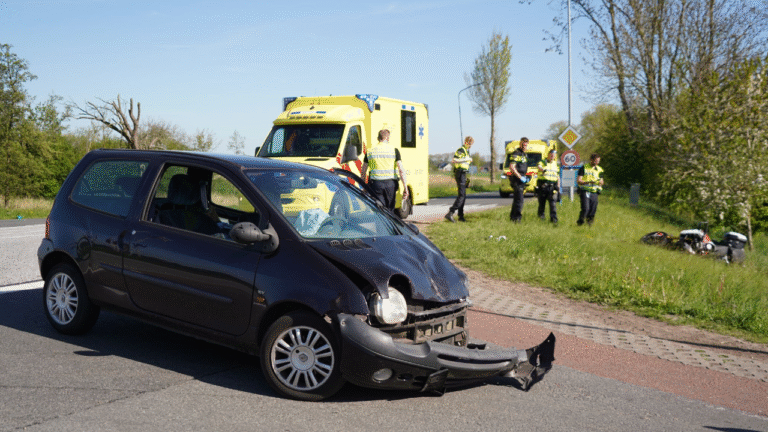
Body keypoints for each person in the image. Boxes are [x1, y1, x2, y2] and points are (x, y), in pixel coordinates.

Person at [362, 129, 408, 212]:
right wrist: (405, 187)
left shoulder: (369, 151)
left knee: (379, 210)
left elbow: (363, 171)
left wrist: (364, 186)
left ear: (378, 138)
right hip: (390, 185)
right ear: (388, 138)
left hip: (376, 185)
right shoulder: (394, 150)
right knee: (390, 210)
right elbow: (401, 170)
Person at [445, 136, 474, 222]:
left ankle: (461, 216)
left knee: (463, 196)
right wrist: (466, 159)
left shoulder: (466, 151)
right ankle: (450, 213)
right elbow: (454, 160)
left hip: (463, 174)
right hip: (460, 173)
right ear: (466, 142)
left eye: (471, 144)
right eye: (470, 144)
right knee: (461, 195)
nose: (470, 146)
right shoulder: (461, 150)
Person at [576, 153, 605, 226]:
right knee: (586, 208)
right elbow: (579, 180)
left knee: (593, 209)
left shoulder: (600, 169)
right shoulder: (584, 168)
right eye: (595, 161)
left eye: (598, 161)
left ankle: (589, 224)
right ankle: (580, 222)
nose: (597, 162)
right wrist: (588, 182)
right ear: (591, 160)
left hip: (594, 191)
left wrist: (601, 182)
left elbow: (602, 181)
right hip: (585, 190)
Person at [506, 137, 529, 222]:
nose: (524, 146)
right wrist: (520, 177)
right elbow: (512, 167)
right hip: (517, 179)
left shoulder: (524, 154)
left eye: (525, 145)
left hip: (522, 177)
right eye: (523, 144)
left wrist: (526, 177)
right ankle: (517, 218)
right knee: (519, 200)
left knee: (517, 199)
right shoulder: (516, 153)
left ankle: (513, 217)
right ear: (520, 144)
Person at [536, 148, 560, 223]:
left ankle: (554, 220)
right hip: (543, 185)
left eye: (554, 155)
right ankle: (541, 219)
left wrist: (558, 186)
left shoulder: (556, 164)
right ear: (548, 155)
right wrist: (542, 169)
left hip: (552, 186)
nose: (552, 156)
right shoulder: (543, 162)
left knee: (553, 204)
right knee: (542, 204)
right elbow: (539, 166)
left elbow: (558, 176)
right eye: (551, 155)